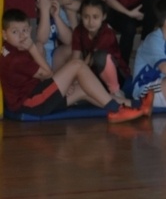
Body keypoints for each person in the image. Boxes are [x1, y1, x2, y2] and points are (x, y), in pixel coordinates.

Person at [1, 8, 144, 122]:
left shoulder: (10, 49)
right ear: (4, 34)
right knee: (78, 65)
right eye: (15, 32)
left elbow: (42, 78)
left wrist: (63, 86)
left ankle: (135, 105)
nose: (22, 36)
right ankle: (117, 109)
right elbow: (47, 74)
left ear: (30, 30)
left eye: (24, 31)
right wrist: (32, 48)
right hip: (30, 103)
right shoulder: (15, 59)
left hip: (36, 96)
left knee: (83, 88)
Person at [71, 0, 131, 99]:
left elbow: (90, 59)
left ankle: (116, 91)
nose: (90, 22)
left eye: (95, 17)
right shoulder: (78, 31)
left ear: (103, 17)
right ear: (80, 16)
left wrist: (76, 80)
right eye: (86, 17)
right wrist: (71, 80)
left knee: (100, 56)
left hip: (117, 75)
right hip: (95, 73)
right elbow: (75, 58)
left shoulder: (107, 33)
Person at [31, 0, 73, 72]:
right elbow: (41, 40)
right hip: (37, 61)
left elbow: (69, 40)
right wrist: (45, 12)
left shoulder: (53, 9)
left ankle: (66, 80)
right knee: (39, 47)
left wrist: (56, 16)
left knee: (73, 47)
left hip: (53, 56)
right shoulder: (29, 15)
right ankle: (46, 83)